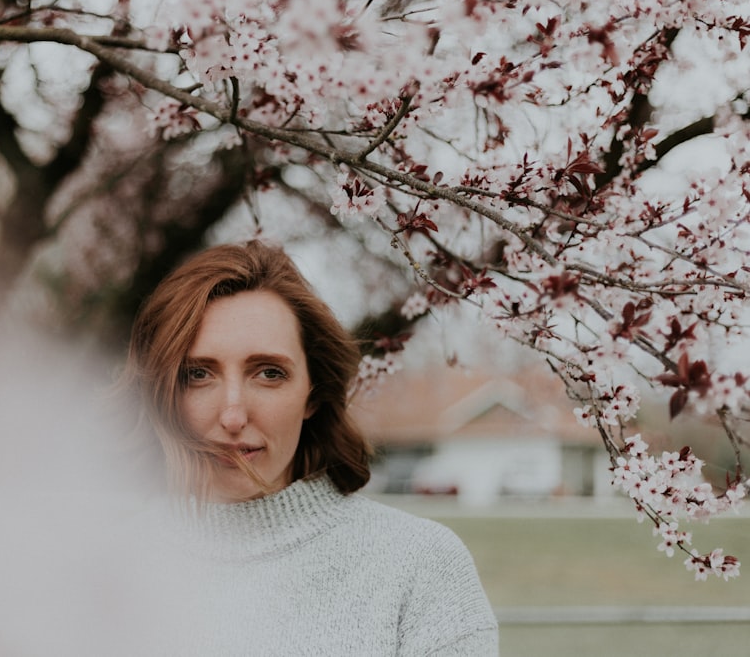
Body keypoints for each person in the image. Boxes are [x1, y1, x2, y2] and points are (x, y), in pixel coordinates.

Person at [122, 239, 499, 656]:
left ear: (313, 394)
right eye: (197, 374)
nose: (233, 416)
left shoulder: (419, 566)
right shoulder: (97, 568)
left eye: (268, 373)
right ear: (160, 392)